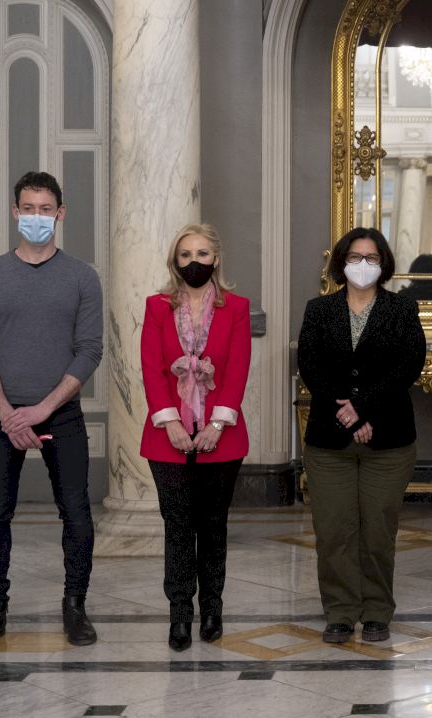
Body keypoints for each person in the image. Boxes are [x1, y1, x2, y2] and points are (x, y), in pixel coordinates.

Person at [0, 171, 103, 651]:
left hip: (60, 411)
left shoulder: (82, 277)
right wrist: (9, 414)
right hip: (1, 414)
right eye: (28, 208)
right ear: (15, 212)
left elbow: (89, 351)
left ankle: (75, 606)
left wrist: (41, 408)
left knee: (77, 512)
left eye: (46, 209)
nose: (36, 217)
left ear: (60, 214)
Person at [298, 227, 426, 644]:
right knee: (334, 531)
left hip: (389, 441)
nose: (363, 265)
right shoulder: (318, 310)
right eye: (355, 257)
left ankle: (376, 611)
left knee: (377, 532)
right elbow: (311, 367)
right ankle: (339, 611)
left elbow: (408, 366)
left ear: (383, 264)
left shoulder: (402, 309)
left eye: (372, 258)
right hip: (329, 442)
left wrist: (364, 408)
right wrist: (352, 418)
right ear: (341, 262)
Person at [139, 223, 251, 651]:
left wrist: (216, 425)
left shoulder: (236, 307)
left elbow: (237, 368)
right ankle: (180, 615)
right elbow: (151, 368)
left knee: (213, 526)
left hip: (221, 437)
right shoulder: (157, 306)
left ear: (215, 259)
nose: (194, 262)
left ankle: (213, 609)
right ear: (175, 261)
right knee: (178, 527)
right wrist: (169, 422)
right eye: (185, 255)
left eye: (202, 254)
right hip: (166, 439)